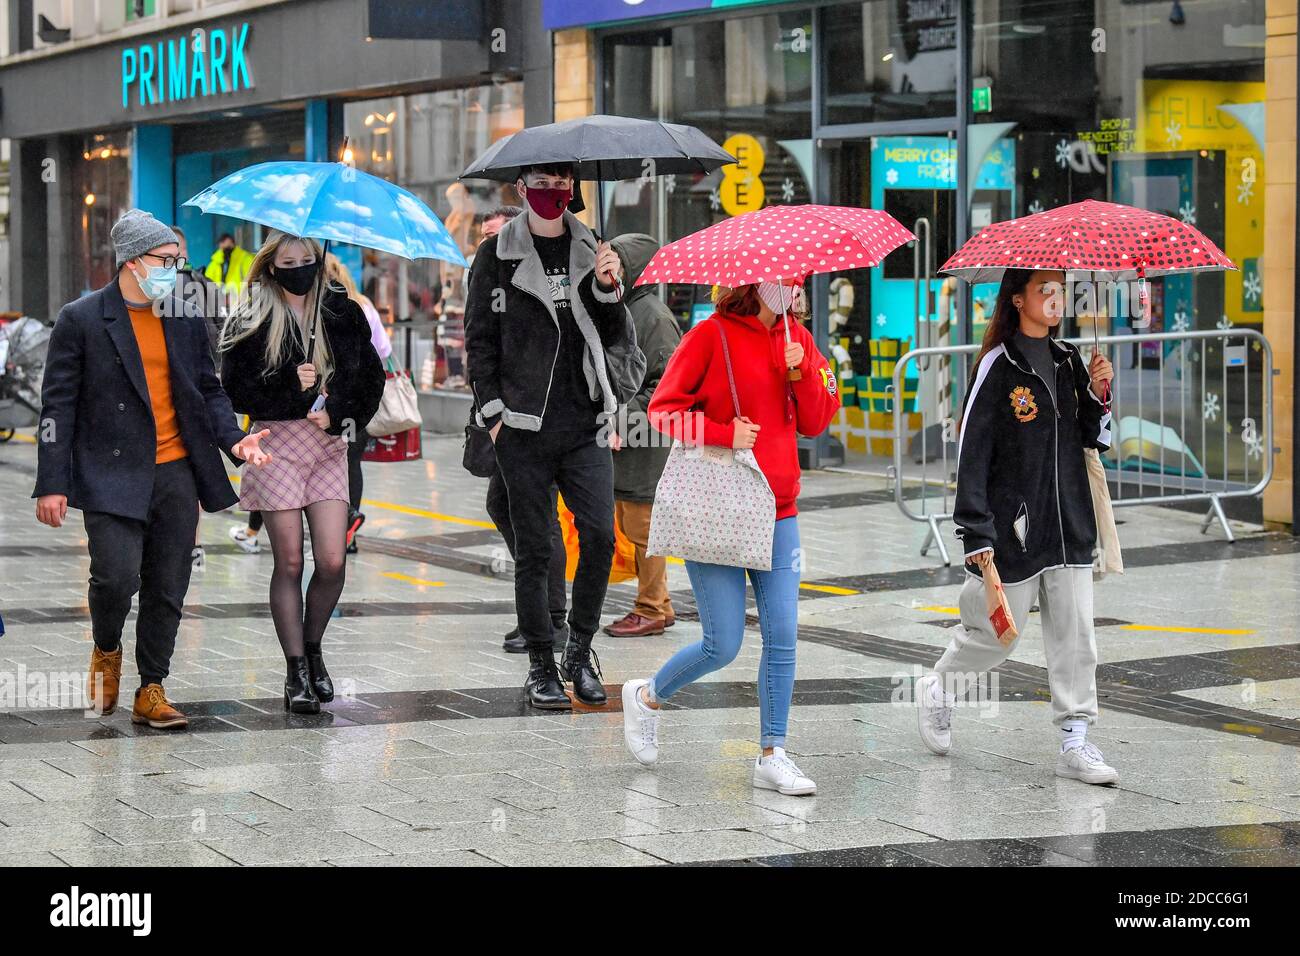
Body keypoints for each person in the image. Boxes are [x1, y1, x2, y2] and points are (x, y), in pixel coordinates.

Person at [33, 209, 271, 729]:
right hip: (110, 473)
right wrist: (51, 482)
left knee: (168, 583)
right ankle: (105, 648)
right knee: (115, 577)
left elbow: (207, 389)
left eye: (178, 261)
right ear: (134, 261)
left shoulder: (185, 316)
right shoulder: (82, 318)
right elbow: (58, 406)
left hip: (176, 471)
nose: (175, 270)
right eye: (167, 260)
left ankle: (151, 688)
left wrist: (235, 441)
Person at [620, 281, 839, 795]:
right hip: (717, 508)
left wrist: (802, 371)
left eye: (800, 281)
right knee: (723, 645)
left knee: (783, 637)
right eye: (786, 281)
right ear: (756, 284)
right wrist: (724, 433)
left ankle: (773, 753)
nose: (796, 288)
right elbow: (662, 412)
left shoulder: (798, 340)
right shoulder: (708, 337)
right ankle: (647, 696)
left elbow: (815, 421)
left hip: (780, 512)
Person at [914, 268, 1118, 785]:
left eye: (1060, 291)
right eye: (1045, 291)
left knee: (1077, 636)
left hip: (1070, 522)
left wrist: (1098, 393)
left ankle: (1077, 738)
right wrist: (977, 533)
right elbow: (973, 454)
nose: (1056, 300)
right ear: (1018, 298)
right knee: (998, 634)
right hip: (1014, 528)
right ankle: (940, 687)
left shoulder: (1071, 360)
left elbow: (1097, 439)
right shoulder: (997, 367)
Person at [465, 163, 633, 709]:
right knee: (535, 549)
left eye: (563, 181)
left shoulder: (594, 250)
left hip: (583, 424)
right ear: (521, 187)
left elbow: (614, 338)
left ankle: (579, 652)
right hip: (522, 428)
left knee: (601, 538)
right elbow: (479, 341)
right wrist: (494, 413)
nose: (553, 190)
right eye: (542, 180)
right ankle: (541, 663)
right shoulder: (495, 257)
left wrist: (608, 290)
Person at [219, 231, 385, 714]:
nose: (299, 267)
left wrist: (335, 411)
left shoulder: (341, 312)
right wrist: (291, 385)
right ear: (272, 266)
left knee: (333, 561)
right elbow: (236, 391)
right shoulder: (250, 317)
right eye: (288, 260)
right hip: (275, 446)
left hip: (328, 448)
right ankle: (295, 670)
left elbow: (372, 380)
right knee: (290, 562)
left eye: (307, 259)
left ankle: (314, 649)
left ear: (319, 261)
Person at [471, 205, 570, 654]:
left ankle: (553, 617)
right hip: (504, 420)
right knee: (506, 506)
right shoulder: (487, 279)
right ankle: (541, 611)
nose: (488, 245)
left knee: (540, 517)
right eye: (482, 238)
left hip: (536, 420)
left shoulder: (529, 282)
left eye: (496, 235)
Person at [603, 233, 681, 637]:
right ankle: (658, 604)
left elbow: (664, 385)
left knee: (643, 527)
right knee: (631, 524)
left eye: (616, 262)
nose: (608, 270)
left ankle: (651, 606)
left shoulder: (652, 316)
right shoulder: (627, 309)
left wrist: (620, 420)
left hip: (646, 439)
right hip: (627, 434)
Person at [324, 253, 391, 554]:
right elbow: (383, 349)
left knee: (330, 467)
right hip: (360, 402)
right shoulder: (364, 305)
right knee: (353, 463)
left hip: (330, 402)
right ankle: (349, 525)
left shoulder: (323, 309)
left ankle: (338, 523)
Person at [172, 224, 227, 568]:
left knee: (192, 467)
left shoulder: (203, 287)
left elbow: (221, 332)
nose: (173, 260)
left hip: (197, 390)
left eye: (176, 252)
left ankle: (191, 541)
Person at [204, 232, 254, 301]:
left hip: (241, 303)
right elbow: (206, 283)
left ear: (234, 244)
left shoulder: (245, 259)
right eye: (223, 246)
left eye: (229, 246)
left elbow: (253, 281)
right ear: (220, 246)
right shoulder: (215, 263)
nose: (226, 249)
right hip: (221, 303)